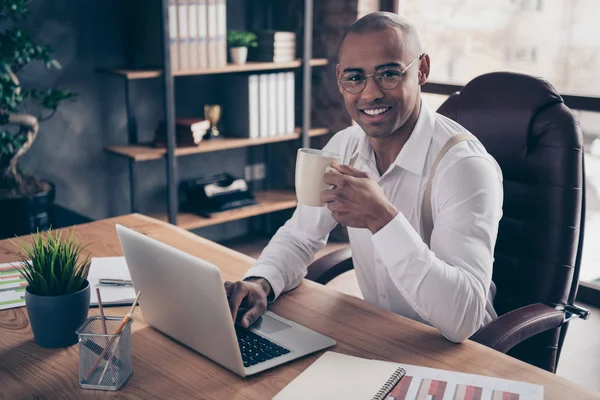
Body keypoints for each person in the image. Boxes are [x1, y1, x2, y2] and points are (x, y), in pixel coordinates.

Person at [224, 12, 503, 343]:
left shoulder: (463, 167)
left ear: (422, 69)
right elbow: (301, 236)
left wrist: (382, 218)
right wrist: (262, 281)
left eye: (389, 74)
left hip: (461, 354)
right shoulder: (344, 147)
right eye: (355, 78)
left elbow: (463, 320)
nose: (370, 94)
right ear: (340, 78)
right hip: (384, 337)